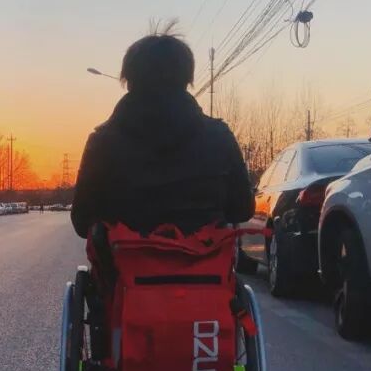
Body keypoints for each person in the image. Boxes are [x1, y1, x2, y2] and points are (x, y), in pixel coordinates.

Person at [71, 24, 253, 239]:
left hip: (125, 259)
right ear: (187, 80)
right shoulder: (219, 136)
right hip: (204, 257)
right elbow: (243, 209)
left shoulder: (102, 142)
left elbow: (82, 221)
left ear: (128, 81)